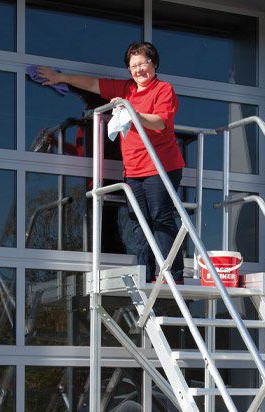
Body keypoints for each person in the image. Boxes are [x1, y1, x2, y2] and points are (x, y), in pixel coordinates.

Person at [37, 42, 185, 283]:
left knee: (160, 217)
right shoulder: (126, 89)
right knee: (138, 221)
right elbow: (92, 84)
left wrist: (131, 112)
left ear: (154, 64)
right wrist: (61, 77)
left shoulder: (163, 89)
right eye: (133, 66)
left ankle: (172, 274)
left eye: (143, 64)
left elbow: (160, 122)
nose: (138, 70)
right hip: (133, 170)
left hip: (161, 167)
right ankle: (145, 274)